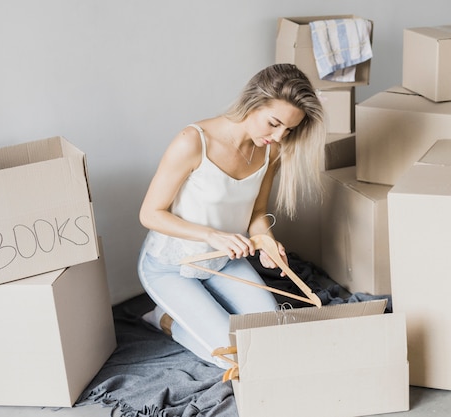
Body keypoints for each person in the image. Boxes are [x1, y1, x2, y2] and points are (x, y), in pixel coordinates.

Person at [137, 63, 326, 369]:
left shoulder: (271, 151)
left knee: (269, 338)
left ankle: (191, 310)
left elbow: (256, 213)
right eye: (274, 123)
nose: (279, 136)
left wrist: (266, 241)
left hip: (223, 262)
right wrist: (212, 235)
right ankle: (165, 319)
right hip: (170, 267)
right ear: (253, 102)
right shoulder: (193, 140)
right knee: (238, 359)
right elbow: (149, 214)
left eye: (288, 130)